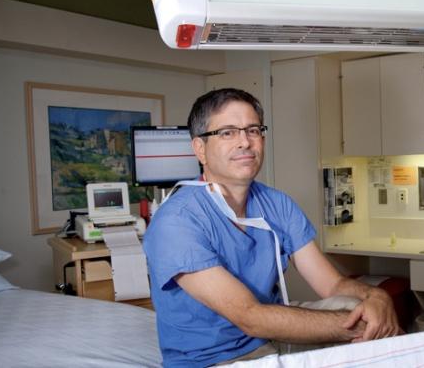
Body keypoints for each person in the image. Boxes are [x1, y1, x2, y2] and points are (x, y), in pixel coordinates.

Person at [143, 88, 402, 367]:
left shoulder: (276, 203)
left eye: (253, 130)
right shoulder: (177, 221)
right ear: (200, 148)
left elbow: (332, 284)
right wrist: (362, 327)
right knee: (366, 323)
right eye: (228, 132)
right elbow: (250, 317)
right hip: (215, 358)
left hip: (271, 338)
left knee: (359, 309)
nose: (245, 142)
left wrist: (376, 297)